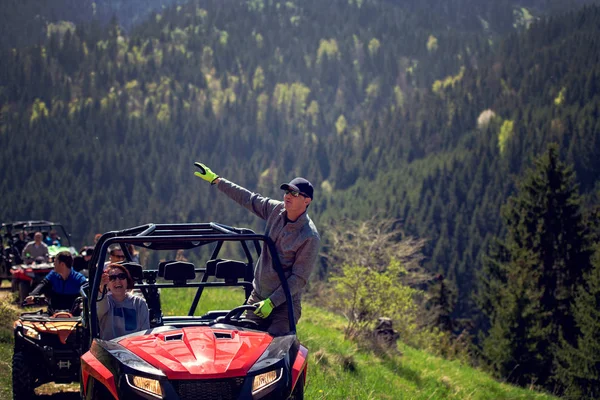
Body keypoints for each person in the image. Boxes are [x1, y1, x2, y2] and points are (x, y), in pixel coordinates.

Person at [194, 162, 320, 336]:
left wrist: (272, 302)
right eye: (286, 191)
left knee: (277, 344)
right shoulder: (275, 209)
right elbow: (248, 199)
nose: (288, 196)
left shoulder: (309, 236)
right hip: (257, 298)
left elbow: (299, 278)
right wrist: (217, 180)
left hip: (284, 306)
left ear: (307, 201)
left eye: (294, 193)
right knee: (247, 341)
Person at [97, 263, 150, 340]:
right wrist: (102, 288)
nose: (118, 281)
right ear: (107, 284)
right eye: (112, 278)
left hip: (134, 346)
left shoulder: (139, 303)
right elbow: (101, 310)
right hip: (110, 349)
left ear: (127, 280)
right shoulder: (103, 301)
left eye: (121, 276)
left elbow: (145, 332)